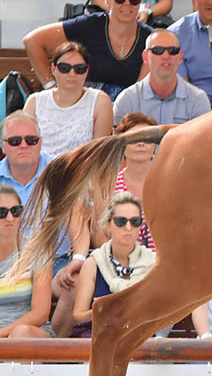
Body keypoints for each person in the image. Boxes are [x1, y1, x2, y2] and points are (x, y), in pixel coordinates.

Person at [24, 0, 154, 100]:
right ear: (108, 0)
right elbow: (32, 41)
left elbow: (139, 92)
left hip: (126, 106)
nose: (127, 4)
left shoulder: (150, 38)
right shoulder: (89, 25)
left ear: (140, 3)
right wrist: (51, 87)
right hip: (83, 104)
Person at [71, 193, 156, 337]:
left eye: (135, 221)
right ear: (108, 224)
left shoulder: (151, 263)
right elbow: (78, 315)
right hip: (98, 336)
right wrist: (104, 310)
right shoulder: (93, 263)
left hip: (137, 337)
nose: (128, 227)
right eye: (121, 221)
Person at [23, 42, 113, 157]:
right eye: (64, 68)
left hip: (80, 171)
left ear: (87, 71)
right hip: (39, 170)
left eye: (79, 69)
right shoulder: (35, 101)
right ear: (53, 69)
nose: (72, 73)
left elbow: (99, 153)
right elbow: (24, 145)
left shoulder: (100, 101)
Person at [113, 30, 211, 126]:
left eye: (172, 50)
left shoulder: (198, 100)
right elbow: (119, 140)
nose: (166, 56)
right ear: (145, 57)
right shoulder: (127, 100)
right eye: (158, 50)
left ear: (180, 57)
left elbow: (202, 141)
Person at [0, 185, 54, 338]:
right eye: (1, 213)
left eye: (15, 211)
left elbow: (40, 314)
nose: (10, 218)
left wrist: (2, 335)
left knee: (21, 333)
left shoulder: (37, 250)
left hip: (30, 334)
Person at [112, 113, 158, 251]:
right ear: (121, 144)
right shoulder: (110, 186)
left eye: (148, 139)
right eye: (134, 138)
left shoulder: (169, 184)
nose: (141, 143)